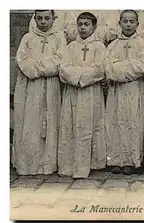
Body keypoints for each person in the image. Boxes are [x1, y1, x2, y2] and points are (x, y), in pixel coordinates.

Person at [13, 10, 66, 175]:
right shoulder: (28, 38)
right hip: (30, 86)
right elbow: (22, 59)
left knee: (49, 121)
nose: (43, 22)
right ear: (34, 19)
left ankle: (47, 164)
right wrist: (35, 70)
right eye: (39, 18)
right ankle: (28, 163)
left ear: (53, 19)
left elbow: (60, 60)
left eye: (47, 18)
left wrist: (38, 67)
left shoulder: (59, 38)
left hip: (51, 85)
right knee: (30, 121)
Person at [57, 12, 107, 178]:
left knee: (89, 125)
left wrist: (81, 77)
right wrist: (77, 78)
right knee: (70, 126)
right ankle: (68, 165)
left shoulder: (99, 47)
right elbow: (63, 67)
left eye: (86, 24)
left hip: (91, 92)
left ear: (94, 27)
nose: (83, 28)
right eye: (80, 24)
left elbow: (100, 69)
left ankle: (90, 164)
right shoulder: (70, 47)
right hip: (73, 92)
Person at [104, 10, 144, 175]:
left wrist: (121, 69)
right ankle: (116, 160)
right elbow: (108, 67)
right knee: (115, 122)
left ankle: (132, 161)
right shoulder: (113, 45)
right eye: (125, 21)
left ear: (137, 24)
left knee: (134, 123)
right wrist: (126, 67)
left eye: (132, 22)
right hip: (117, 90)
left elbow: (142, 67)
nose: (128, 25)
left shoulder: (142, 44)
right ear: (120, 23)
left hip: (135, 89)